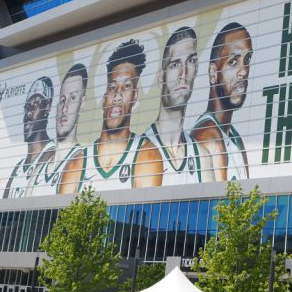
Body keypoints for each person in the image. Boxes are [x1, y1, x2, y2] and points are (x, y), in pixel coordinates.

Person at [58, 40, 161, 193]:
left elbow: (144, 212)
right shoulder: (77, 163)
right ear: (104, 97)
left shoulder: (147, 155)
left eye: (126, 87)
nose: (117, 96)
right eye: (112, 87)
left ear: (135, 96)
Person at [137, 26, 225, 185]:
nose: (183, 74)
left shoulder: (201, 157)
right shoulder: (138, 150)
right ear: (160, 77)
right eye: (175, 64)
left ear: (196, 69)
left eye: (190, 61)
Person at [192, 22, 253, 180]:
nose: (244, 71)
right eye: (233, 62)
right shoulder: (209, 136)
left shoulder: (233, 136)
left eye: (247, 59)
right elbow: (217, 203)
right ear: (213, 73)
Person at [29, 63, 87, 195]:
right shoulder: (40, 168)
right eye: (62, 100)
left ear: (82, 104)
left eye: (72, 98)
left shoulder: (80, 161)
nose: (64, 108)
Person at [3, 77, 53, 199]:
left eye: (35, 104)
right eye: (27, 107)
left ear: (47, 108)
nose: (28, 113)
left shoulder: (53, 156)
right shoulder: (18, 169)